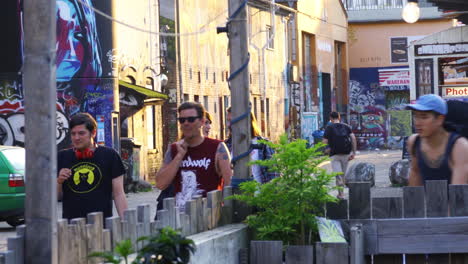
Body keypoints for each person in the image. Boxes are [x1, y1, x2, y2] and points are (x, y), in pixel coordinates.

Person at [155, 102, 232, 211]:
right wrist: (179, 156)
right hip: (180, 217)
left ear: (201, 121)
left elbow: (229, 183)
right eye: (182, 120)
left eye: (191, 119)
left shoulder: (217, 148)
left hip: (208, 216)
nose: (186, 123)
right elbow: (160, 184)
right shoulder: (174, 149)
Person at [57, 113, 128, 219]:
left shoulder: (110, 155)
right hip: (71, 226)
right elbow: (56, 197)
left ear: (93, 133)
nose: (76, 138)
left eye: (81, 133)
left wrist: (125, 222)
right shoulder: (62, 157)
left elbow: (118, 194)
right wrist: (59, 181)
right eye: (73, 134)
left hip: (102, 225)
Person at [406, 94, 468, 186]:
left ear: (440, 119)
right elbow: (415, 173)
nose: (417, 123)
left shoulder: (459, 146)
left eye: (424, 117)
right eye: (415, 116)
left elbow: (458, 191)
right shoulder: (414, 142)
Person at [323, 111, 357, 199]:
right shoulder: (346, 126)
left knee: (338, 174)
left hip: (334, 154)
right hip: (346, 153)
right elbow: (353, 138)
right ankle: (342, 192)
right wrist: (353, 152)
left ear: (330, 118)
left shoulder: (329, 127)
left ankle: (341, 194)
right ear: (339, 118)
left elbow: (324, 142)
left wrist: (325, 150)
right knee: (342, 175)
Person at [249, 112, 279, 184]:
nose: (229, 125)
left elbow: (273, 174)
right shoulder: (228, 144)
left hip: (258, 192)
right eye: (228, 121)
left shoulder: (263, 144)